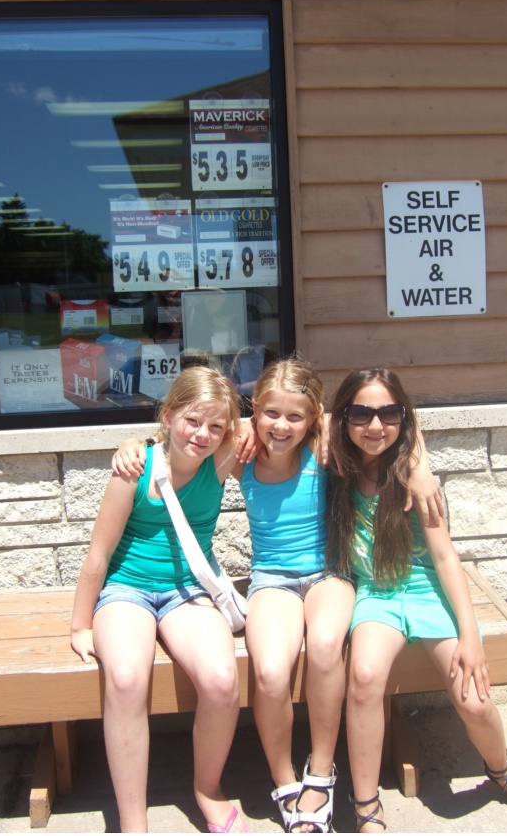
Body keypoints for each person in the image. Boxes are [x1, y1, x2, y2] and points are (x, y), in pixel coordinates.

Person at [112, 357, 443, 834]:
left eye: (294, 416)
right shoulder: (241, 453)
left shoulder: (324, 444)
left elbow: (401, 424)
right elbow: (179, 444)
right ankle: (284, 778)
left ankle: (321, 773)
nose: (281, 425)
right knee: (269, 670)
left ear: (312, 418)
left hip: (329, 573)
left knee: (326, 644)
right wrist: (135, 445)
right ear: (255, 411)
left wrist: (422, 469)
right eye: (270, 414)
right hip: (271, 579)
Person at [326, 367, 507, 832]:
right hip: (376, 593)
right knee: (364, 677)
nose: (375, 425)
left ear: (404, 417)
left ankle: (502, 770)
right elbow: (295, 414)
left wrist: (470, 636)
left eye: (389, 413)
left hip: (425, 588)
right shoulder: (337, 464)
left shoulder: (413, 479)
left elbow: (446, 558)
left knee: (474, 701)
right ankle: (365, 802)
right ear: (343, 418)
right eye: (361, 413)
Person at [70, 366, 252, 834]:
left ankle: (208, 790)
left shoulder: (220, 459)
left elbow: (297, 418)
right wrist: (80, 625)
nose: (202, 434)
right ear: (168, 416)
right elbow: (99, 554)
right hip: (126, 590)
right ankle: (134, 821)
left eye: (216, 426)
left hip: (188, 591)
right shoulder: (135, 469)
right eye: (192, 420)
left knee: (221, 681)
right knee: (127, 678)